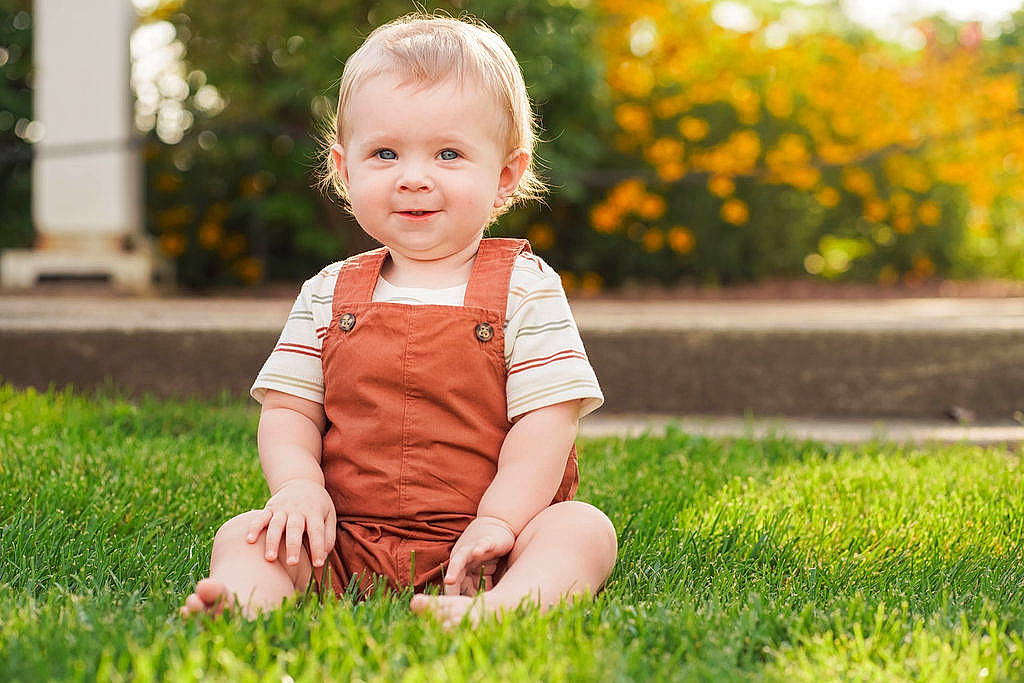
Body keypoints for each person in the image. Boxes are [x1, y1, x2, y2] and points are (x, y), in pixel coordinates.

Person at [181, 12, 617, 628]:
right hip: (345, 536)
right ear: (344, 168)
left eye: (448, 153)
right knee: (249, 533)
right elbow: (288, 410)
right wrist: (299, 490)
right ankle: (243, 600)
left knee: (581, 529)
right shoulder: (329, 292)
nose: (414, 178)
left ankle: (504, 607)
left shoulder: (527, 288)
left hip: (491, 540)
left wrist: (500, 521)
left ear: (505, 176)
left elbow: (546, 423)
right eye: (384, 153)